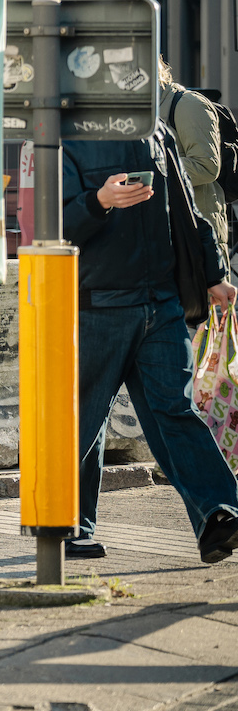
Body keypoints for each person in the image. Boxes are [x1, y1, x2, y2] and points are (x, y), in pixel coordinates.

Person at [61, 133, 238, 563]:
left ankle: (218, 513)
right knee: (84, 417)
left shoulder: (159, 134)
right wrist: (99, 201)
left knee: (175, 410)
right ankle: (69, 526)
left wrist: (214, 271)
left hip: (160, 303)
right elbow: (50, 225)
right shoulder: (62, 137)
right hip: (95, 305)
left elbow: (186, 210)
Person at [162, 62, 229, 249]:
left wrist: (152, 164)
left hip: (195, 232)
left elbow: (206, 166)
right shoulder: (139, 112)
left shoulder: (187, 104)